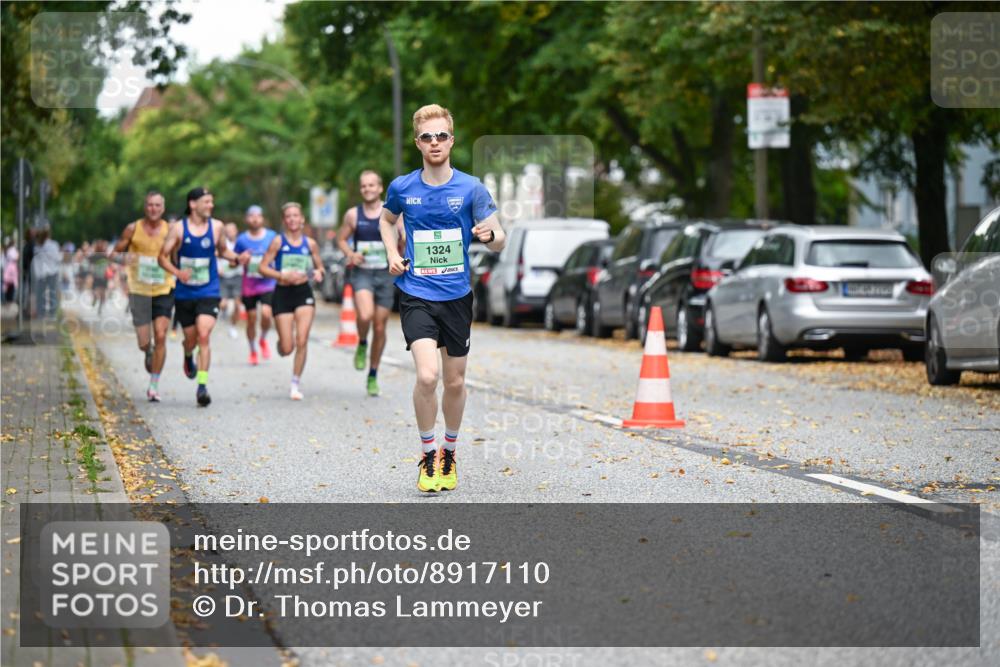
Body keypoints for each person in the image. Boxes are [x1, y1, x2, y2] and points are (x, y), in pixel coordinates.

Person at [380, 104, 506, 493]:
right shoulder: (403, 187)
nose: (434, 142)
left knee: (454, 381)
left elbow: (500, 238)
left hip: (456, 297)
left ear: (452, 140)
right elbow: (386, 220)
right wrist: (391, 252)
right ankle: (428, 454)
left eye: (441, 136)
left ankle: (449, 451)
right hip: (416, 293)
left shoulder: (471, 188)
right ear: (417, 143)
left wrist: (490, 236)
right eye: (426, 137)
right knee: (427, 375)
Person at [158, 187, 241, 407]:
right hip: (185, 293)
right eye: (207, 202)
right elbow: (162, 257)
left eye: (212, 201)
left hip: (209, 290)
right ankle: (188, 355)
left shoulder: (217, 227)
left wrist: (237, 258)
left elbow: (222, 250)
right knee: (191, 339)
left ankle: (202, 386)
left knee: (204, 335)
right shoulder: (178, 229)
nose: (211, 205)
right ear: (193, 204)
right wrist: (178, 273)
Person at [337, 170, 404, 396]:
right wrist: (350, 253)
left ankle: (373, 373)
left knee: (380, 326)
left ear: (380, 187)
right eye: (364, 186)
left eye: (371, 185)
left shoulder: (393, 212)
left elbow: (404, 236)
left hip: (385, 273)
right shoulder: (353, 215)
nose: (367, 189)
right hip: (362, 273)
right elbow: (341, 239)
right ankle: (362, 342)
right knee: (365, 316)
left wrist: (402, 248)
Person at [111, 191, 175, 402]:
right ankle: (148, 352)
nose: (153, 209)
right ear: (144, 207)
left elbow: (178, 256)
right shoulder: (132, 228)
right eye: (149, 205)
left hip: (164, 289)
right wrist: (124, 258)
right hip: (139, 290)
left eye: (157, 205)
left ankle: (153, 385)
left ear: (163, 208)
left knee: (161, 335)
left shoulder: (170, 230)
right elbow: (114, 253)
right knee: (144, 342)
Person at [258, 202, 325, 400]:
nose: (292, 219)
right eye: (288, 216)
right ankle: (282, 343)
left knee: (302, 339)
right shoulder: (278, 242)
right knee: (287, 348)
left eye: (296, 215)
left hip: (303, 293)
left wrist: (319, 273)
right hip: (283, 294)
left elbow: (320, 267)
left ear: (302, 219)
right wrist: (281, 275)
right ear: (284, 220)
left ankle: (295, 383)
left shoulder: (310, 244)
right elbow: (262, 267)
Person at [233, 205, 276, 365]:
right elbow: (233, 262)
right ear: (247, 219)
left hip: (268, 283)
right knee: (251, 319)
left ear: (262, 218)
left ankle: (263, 339)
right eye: (252, 216)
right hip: (249, 286)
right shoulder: (242, 240)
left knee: (266, 314)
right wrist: (239, 260)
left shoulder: (272, 236)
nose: (255, 219)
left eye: (258, 216)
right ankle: (252, 350)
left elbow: (279, 255)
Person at [219, 221, 243, 338]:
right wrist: (218, 268)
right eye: (227, 231)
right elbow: (216, 256)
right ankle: (223, 311)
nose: (230, 233)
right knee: (223, 304)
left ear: (236, 231)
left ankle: (233, 326)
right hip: (224, 277)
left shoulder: (241, 243)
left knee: (237, 305)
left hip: (238, 276)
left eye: (231, 230)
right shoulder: (222, 244)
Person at [89, 240, 111, 315]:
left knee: (95, 290)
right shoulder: (106, 256)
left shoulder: (94, 256)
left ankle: (95, 299)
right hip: (104, 276)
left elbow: (90, 264)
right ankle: (100, 308)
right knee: (102, 293)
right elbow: (109, 265)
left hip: (97, 275)